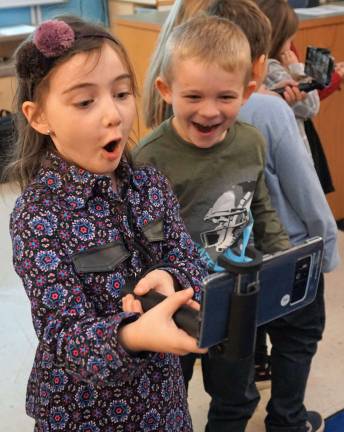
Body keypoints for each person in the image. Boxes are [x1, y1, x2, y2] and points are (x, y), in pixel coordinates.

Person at [8, 16, 208, 431]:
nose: (114, 115)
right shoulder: (37, 217)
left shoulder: (150, 185)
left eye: (121, 93)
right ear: (39, 116)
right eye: (85, 102)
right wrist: (133, 335)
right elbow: (62, 335)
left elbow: (192, 262)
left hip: (162, 402)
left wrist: (171, 278)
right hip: (83, 413)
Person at [134, 13, 290, 432]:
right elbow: (141, 242)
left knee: (237, 398)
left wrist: (281, 261)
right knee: (168, 396)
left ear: (248, 92)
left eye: (225, 97)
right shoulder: (149, 157)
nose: (209, 111)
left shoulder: (252, 141)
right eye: (193, 96)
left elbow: (261, 205)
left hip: (238, 295)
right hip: (178, 303)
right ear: (166, 91)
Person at [207, 1, 339, 431]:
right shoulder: (268, 109)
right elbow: (306, 192)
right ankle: (287, 419)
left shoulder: (191, 103)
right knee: (298, 337)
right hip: (291, 250)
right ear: (261, 57)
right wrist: (327, 249)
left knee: (241, 345)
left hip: (231, 255)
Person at [255, 0, 320, 157]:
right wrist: (296, 69)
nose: (290, 46)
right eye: (289, 40)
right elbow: (311, 106)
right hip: (293, 153)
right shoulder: (271, 68)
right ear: (278, 38)